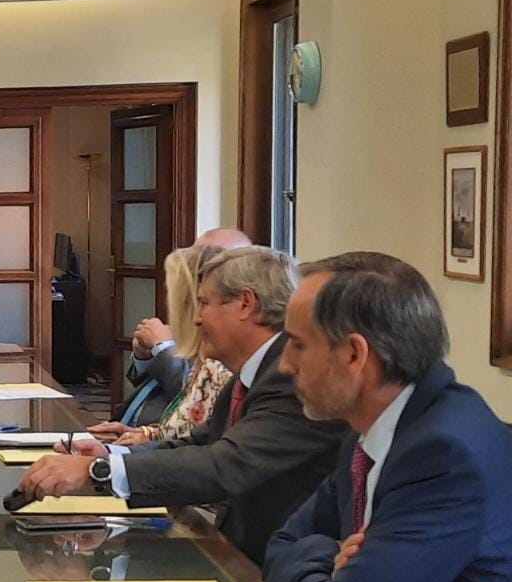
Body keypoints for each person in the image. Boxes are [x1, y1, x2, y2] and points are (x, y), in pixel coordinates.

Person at [263, 252, 512, 582]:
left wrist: (331, 571)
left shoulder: (445, 454)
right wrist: (330, 557)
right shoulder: (372, 431)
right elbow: (283, 542)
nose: (285, 365)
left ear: (354, 355)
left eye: (297, 344)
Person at [20, 247, 344, 564]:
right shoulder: (251, 373)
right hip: (234, 552)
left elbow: (225, 465)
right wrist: (111, 456)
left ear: (245, 304)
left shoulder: (288, 376)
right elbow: (199, 443)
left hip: (277, 567)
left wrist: (98, 472)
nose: (196, 319)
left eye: (204, 303)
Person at [91, 246, 232, 446]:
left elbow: (189, 398)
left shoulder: (221, 354)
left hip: (158, 454)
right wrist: (144, 356)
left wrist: (163, 348)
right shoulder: (186, 336)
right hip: (132, 435)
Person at [115, 227, 252, 426]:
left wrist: (163, 348)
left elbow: (196, 399)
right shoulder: (189, 327)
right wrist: (144, 356)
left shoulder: (227, 342)